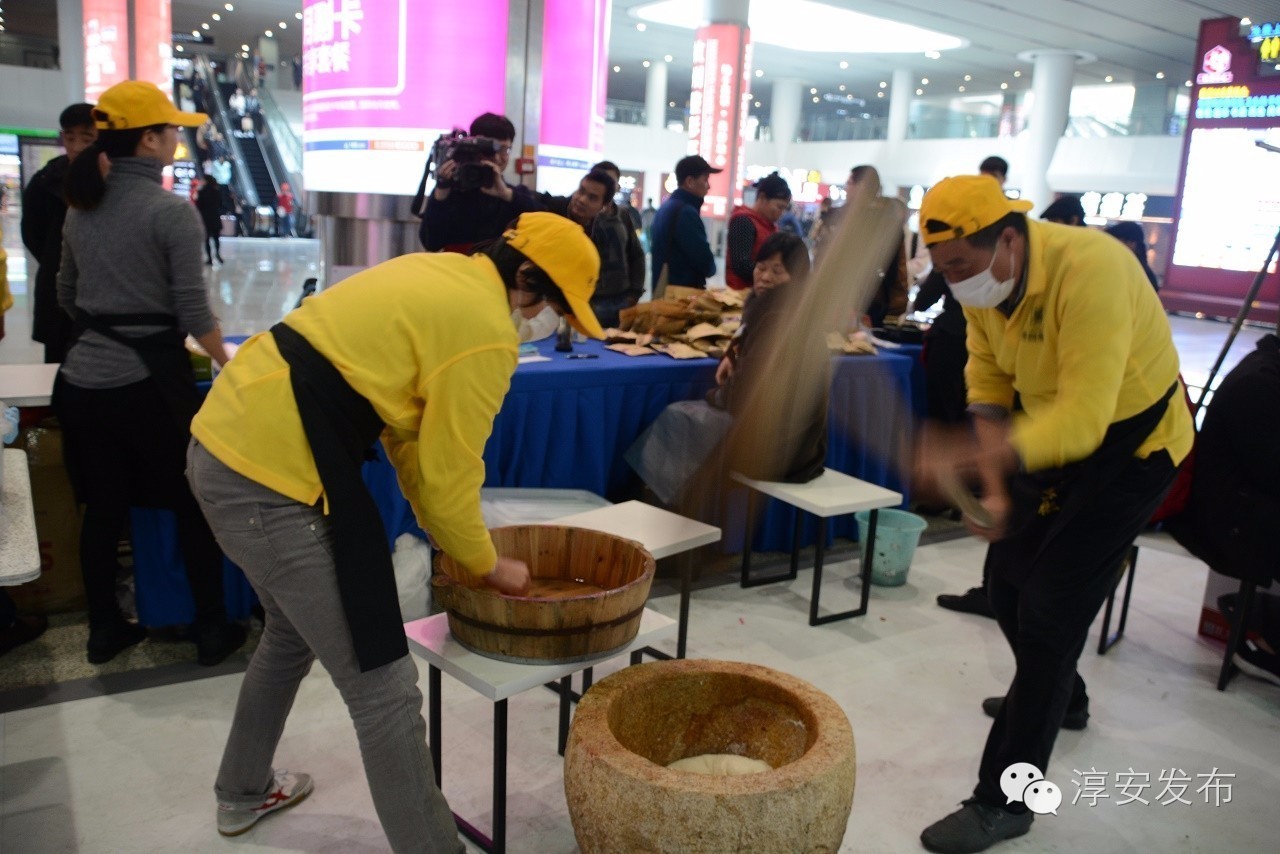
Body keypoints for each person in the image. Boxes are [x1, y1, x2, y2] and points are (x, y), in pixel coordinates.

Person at [186, 212, 602, 850]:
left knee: (290, 638)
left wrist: (449, 535)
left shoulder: (440, 272)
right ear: (523, 277)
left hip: (230, 444)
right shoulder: (487, 331)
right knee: (382, 690)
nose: (546, 322)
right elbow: (451, 463)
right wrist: (484, 561)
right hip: (267, 478)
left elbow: (410, 439)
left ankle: (241, 791)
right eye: (550, 304)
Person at [913, 175, 1192, 853]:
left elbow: (1086, 419)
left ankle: (1004, 801)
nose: (953, 283)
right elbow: (988, 376)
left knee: (1049, 617)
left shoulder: (1093, 271)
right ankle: (1061, 697)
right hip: (1049, 437)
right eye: (942, 270)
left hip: (1132, 451)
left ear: (1008, 239)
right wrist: (996, 480)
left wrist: (985, 458)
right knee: (1007, 585)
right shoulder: (984, 286)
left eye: (959, 267)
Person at [54, 80, 248, 666]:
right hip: (147, 389)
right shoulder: (171, 213)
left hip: (82, 385)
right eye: (171, 131)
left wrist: (109, 327)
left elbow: (66, 295)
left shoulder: (81, 208)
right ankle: (211, 630)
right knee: (192, 502)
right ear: (148, 140)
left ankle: (105, 630)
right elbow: (193, 312)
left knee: (104, 510)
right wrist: (229, 360)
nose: (177, 140)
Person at [627, 232, 817, 509]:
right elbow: (748, 344)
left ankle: (664, 512)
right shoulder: (776, 307)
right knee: (683, 419)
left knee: (680, 418)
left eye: (778, 271)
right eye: (761, 267)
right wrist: (732, 353)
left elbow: (748, 390)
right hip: (791, 438)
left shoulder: (779, 317)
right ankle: (665, 509)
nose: (764, 277)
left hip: (782, 445)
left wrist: (717, 395)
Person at [21, 102, 97, 364]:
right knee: (56, 365)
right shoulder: (45, 181)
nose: (76, 146)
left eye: (86, 138)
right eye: (70, 137)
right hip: (56, 292)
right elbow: (32, 234)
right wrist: (58, 260)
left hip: (102, 292)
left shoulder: (111, 180)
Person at [418, 112, 543, 253]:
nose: (497, 157)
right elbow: (431, 243)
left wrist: (507, 195)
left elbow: (544, 224)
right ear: (472, 148)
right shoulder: (452, 192)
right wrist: (441, 192)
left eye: (504, 150)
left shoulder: (514, 195)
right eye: (489, 149)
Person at [649, 154, 719, 293]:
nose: (708, 186)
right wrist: (711, 267)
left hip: (665, 290)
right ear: (690, 181)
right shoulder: (685, 213)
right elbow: (705, 264)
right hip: (682, 296)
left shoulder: (666, 207)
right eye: (705, 180)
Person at [588, 161, 646, 327]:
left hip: (621, 298)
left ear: (617, 186)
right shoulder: (582, 213)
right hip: (590, 299)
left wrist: (635, 292)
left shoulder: (623, 214)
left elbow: (636, 253)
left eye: (610, 181)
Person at [725, 172, 791, 291]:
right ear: (762, 198)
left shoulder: (769, 226)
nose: (781, 213)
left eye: (784, 209)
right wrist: (773, 272)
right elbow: (741, 265)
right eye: (779, 207)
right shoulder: (743, 221)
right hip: (740, 295)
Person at [1105, 221, 1160, 290]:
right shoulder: (1141, 271)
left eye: (1116, 242)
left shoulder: (1138, 274)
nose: (1111, 247)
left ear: (1132, 244)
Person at [197, 176, 225, 265]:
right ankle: (217, 254)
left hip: (205, 219)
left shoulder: (202, 192)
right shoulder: (216, 191)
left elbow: (199, 206)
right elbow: (221, 204)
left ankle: (209, 258)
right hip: (215, 217)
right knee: (216, 238)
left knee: (207, 239)